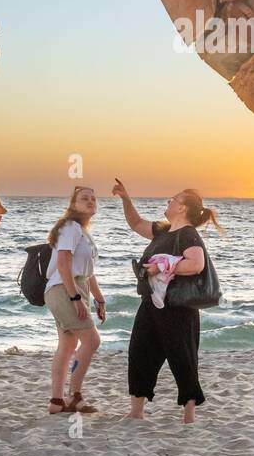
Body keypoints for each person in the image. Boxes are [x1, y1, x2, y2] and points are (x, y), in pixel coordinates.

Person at [112, 179, 220, 425]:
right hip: (151, 303)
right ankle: (137, 411)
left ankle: (189, 416)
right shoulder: (163, 230)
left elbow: (196, 264)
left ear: (182, 208)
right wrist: (126, 199)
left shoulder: (188, 234)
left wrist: (160, 267)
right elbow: (136, 223)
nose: (168, 201)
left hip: (178, 307)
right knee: (139, 353)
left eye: (173, 199)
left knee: (182, 358)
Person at [44, 185, 105, 415]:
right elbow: (63, 264)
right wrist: (75, 297)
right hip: (64, 288)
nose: (91, 201)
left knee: (68, 345)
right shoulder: (70, 227)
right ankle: (74, 395)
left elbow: (87, 272)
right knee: (92, 342)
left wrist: (99, 299)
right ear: (73, 205)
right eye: (84, 199)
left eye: (93, 198)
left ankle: (57, 401)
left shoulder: (81, 231)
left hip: (72, 287)